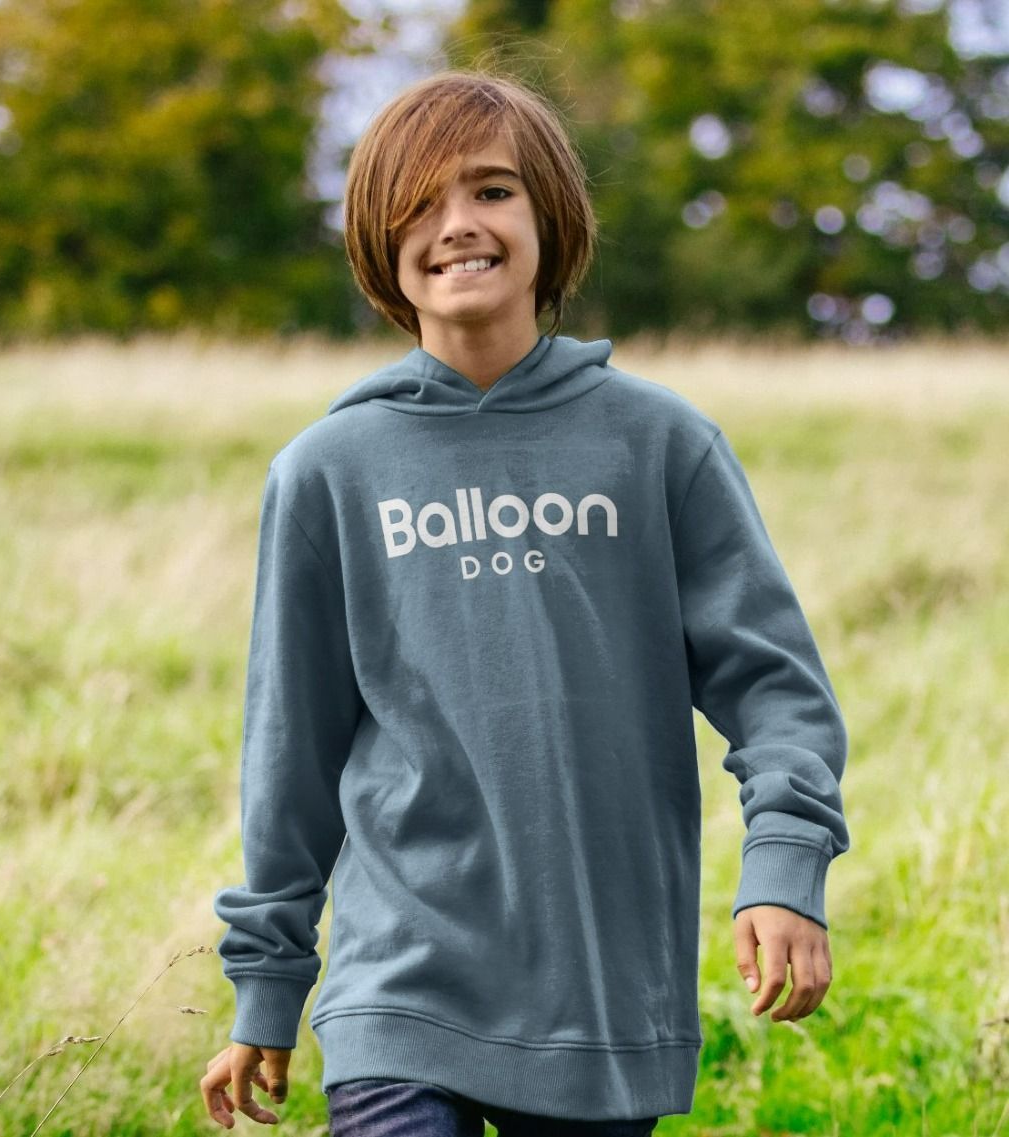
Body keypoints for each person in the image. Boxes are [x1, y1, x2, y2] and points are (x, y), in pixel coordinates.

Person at [199, 69, 851, 1135]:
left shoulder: (660, 443)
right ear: (376, 241)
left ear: (550, 217)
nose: (458, 224)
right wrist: (268, 981)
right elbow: (290, 752)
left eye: (493, 190)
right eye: (420, 203)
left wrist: (784, 867)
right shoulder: (327, 471)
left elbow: (776, 691)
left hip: (600, 992)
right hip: (397, 985)